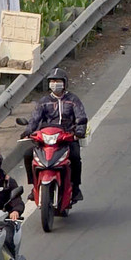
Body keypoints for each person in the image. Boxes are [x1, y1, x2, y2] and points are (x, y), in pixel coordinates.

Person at [21, 67, 89, 205]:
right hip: (46, 138)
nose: (55, 83)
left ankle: (75, 188)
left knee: (75, 156)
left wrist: (79, 131)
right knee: (28, 155)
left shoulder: (73, 100)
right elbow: (35, 119)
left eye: (58, 81)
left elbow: (81, 117)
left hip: (67, 138)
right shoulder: (44, 101)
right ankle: (34, 185)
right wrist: (28, 131)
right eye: (52, 81)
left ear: (64, 83)